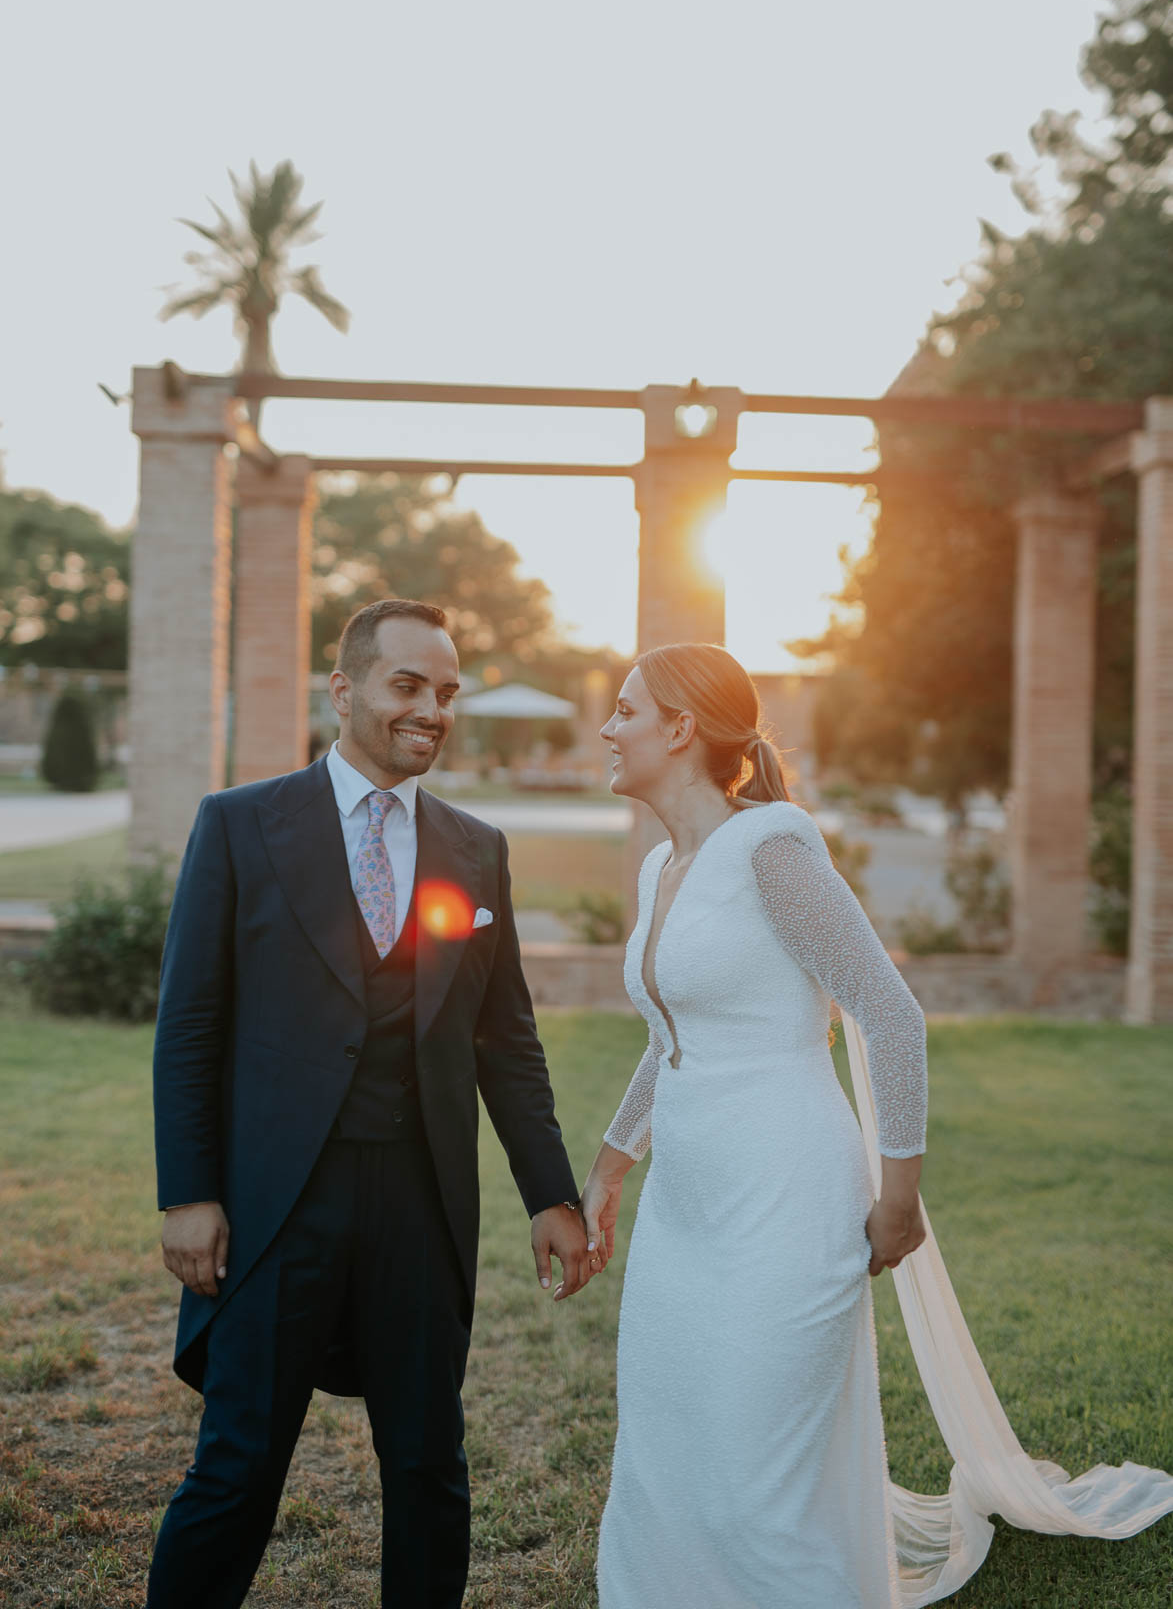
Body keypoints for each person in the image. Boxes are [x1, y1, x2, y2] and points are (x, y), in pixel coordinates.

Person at [148, 598, 592, 1609]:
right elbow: (190, 1026)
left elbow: (504, 1037)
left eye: (446, 691)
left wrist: (549, 1192)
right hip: (273, 1205)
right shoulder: (238, 823)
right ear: (342, 689)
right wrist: (189, 1191)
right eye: (408, 685)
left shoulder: (478, 847)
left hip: (421, 1203)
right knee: (237, 1468)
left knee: (431, 1468)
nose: (431, 708)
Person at [582, 642, 928, 1609]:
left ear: (681, 729)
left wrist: (895, 1195)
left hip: (786, 1195)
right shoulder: (661, 864)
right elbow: (675, 1033)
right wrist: (612, 1165)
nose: (606, 729)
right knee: (672, 1438)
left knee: (756, 1473)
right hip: (686, 1205)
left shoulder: (771, 847)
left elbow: (887, 1012)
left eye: (623, 711)